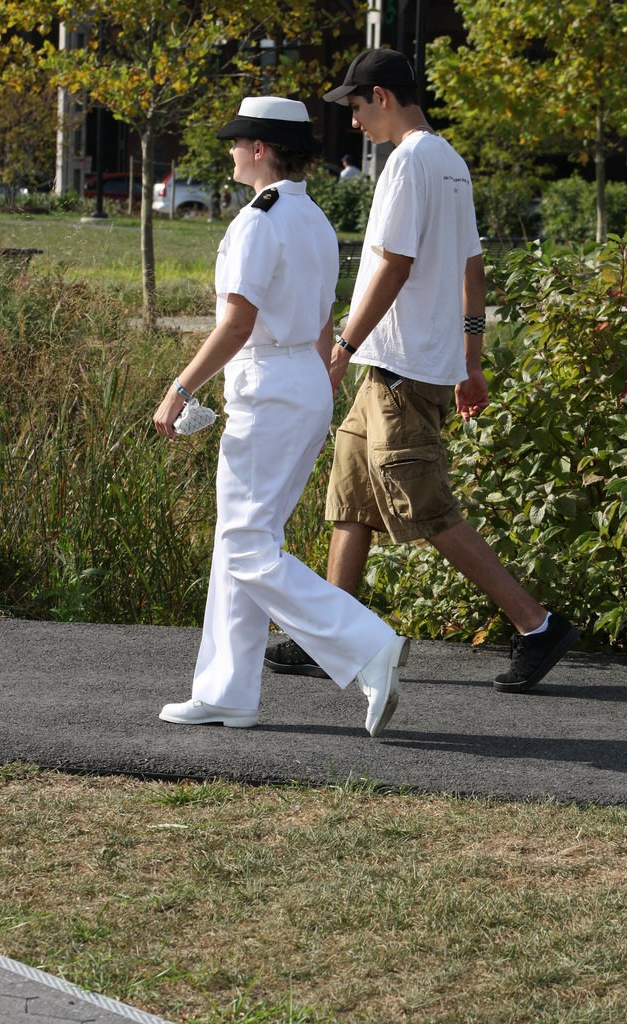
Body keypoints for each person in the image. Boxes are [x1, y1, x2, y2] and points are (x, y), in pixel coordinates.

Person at [264, 49, 578, 693]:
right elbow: (473, 267)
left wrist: (345, 344)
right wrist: (471, 360)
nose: (353, 123)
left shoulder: (409, 162)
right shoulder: (451, 162)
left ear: (381, 95)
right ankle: (330, 635)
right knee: (351, 498)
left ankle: (537, 624)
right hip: (403, 366)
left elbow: (394, 263)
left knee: (425, 508)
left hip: (398, 369)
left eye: (355, 108)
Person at [153, 96, 408, 737]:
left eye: (239, 141)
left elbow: (237, 324)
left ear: (261, 149)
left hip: (270, 384)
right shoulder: (315, 220)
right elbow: (324, 321)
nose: (233, 150)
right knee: (243, 540)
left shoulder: (257, 222)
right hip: (301, 380)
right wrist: (311, 386)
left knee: (244, 543)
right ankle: (226, 692)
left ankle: (365, 643)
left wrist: (180, 387)